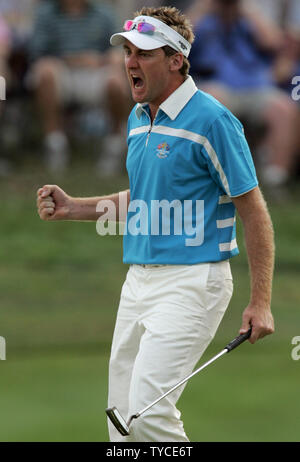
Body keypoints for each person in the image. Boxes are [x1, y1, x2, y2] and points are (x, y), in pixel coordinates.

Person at [37, 5, 275, 442]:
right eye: (128, 51)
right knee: (121, 421)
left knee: (148, 416)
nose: (130, 61)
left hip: (193, 282)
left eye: (144, 52)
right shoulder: (137, 116)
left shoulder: (214, 120)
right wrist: (74, 208)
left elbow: (253, 210)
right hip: (138, 282)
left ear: (176, 60)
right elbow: (146, 201)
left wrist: (260, 301)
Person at [189, 0, 299, 191]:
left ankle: (275, 182)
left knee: (284, 109)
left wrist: (245, 9)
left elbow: (273, 42)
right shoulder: (202, 16)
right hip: (215, 83)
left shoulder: (250, 16)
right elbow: (177, 40)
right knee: (212, 101)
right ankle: (213, 179)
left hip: (255, 85)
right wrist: (206, 6)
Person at [28, 0, 129, 175]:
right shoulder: (46, 14)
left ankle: (114, 146)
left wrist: (106, 60)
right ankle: (55, 144)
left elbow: (119, 50)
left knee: (117, 80)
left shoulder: (104, 13)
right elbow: (37, 52)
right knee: (44, 71)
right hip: (60, 70)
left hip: (97, 71)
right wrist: (75, 59)